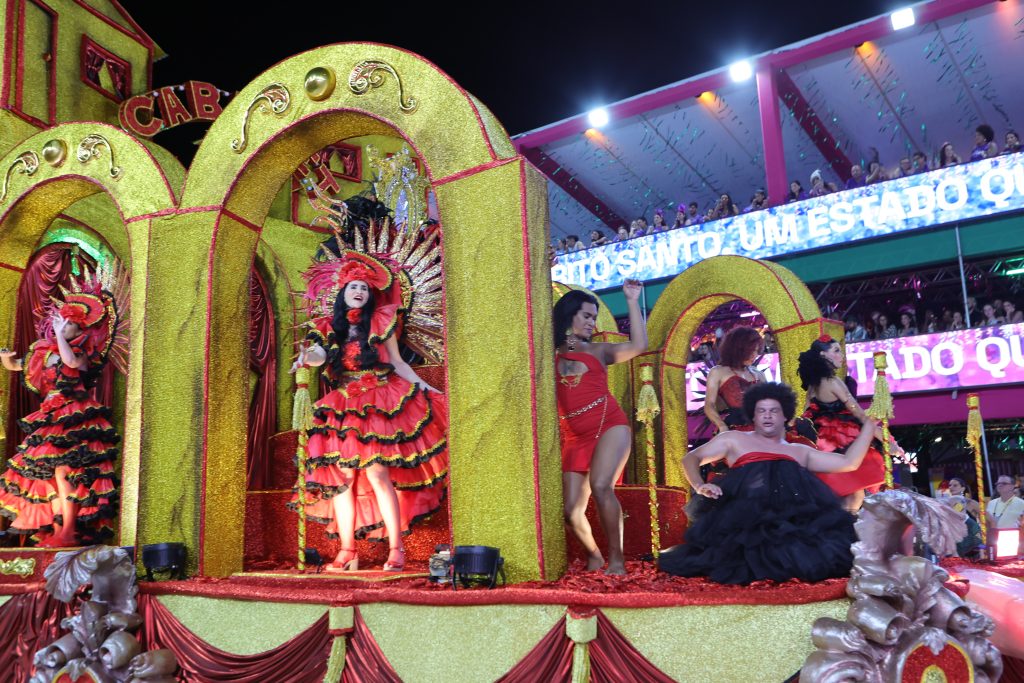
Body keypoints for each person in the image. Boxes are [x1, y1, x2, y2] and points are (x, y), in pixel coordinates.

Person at [290, 251, 448, 572]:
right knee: (341, 479)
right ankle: (347, 549)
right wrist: (308, 358)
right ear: (342, 294)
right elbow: (320, 353)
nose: (359, 291)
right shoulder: (327, 326)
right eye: (353, 287)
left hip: (379, 397)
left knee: (377, 472)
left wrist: (427, 388)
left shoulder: (380, 321)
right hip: (343, 404)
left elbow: (399, 362)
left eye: (364, 287)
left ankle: (396, 548)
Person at [657, 382, 876, 584]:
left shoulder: (798, 450)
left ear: (785, 416)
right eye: (761, 411)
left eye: (774, 411)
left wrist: (869, 426)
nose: (767, 416)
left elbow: (849, 462)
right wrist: (698, 485)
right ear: (753, 415)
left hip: (790, 523)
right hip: (746, 524)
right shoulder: (733, 439)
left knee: (819, 555)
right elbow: (691, 458)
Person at [0, 274, 120, 547]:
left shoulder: (83, 354)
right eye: (62, 322)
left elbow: (71, 363)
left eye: (69, 324)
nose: (63, 326)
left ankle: (68, 529)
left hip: (74, 416)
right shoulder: (44, 350)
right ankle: (55, 528)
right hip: (50, 415)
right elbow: (19, 366)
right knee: (45, 476)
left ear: (80, 329)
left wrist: (59, 336)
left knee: (65, 473)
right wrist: (5, 357)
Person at [555, 282, 647, 575]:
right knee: (570, 511)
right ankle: (594, 555)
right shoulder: (559, 349)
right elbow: (567, 347)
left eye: (594, 317)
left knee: (601, 486)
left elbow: (638, 346)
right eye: (586, 315)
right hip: (575, 435)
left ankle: (617, 560)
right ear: (569, 315)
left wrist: (632, 301)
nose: (591, 322)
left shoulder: (599, 350)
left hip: (609, 425)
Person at [797, 337, 887, 512]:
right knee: (854, 495)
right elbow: (860, 414)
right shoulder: (832, 382)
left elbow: (805, 416)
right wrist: (887, 440)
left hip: (822, 447)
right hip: (841, 443)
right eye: (836, 351)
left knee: (848, 496)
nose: (842, 355)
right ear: (823, 355)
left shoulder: (813, 386)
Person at [703, 327, 766, 434]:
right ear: (737, 349)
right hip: (734, 431)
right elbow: (709, 405)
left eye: (756, 350)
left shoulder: (759, 374)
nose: (754, 355)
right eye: (750, 350)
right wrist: (721, 426)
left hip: (763, 430)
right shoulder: (718, 372)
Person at [986, 475, 1024, 551]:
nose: (1000, 485)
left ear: (1012, 486)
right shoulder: (991, 503)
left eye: (1004, 483)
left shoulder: (1021, 503)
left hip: (1013, 543)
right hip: (994, 542)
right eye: (998, 483)